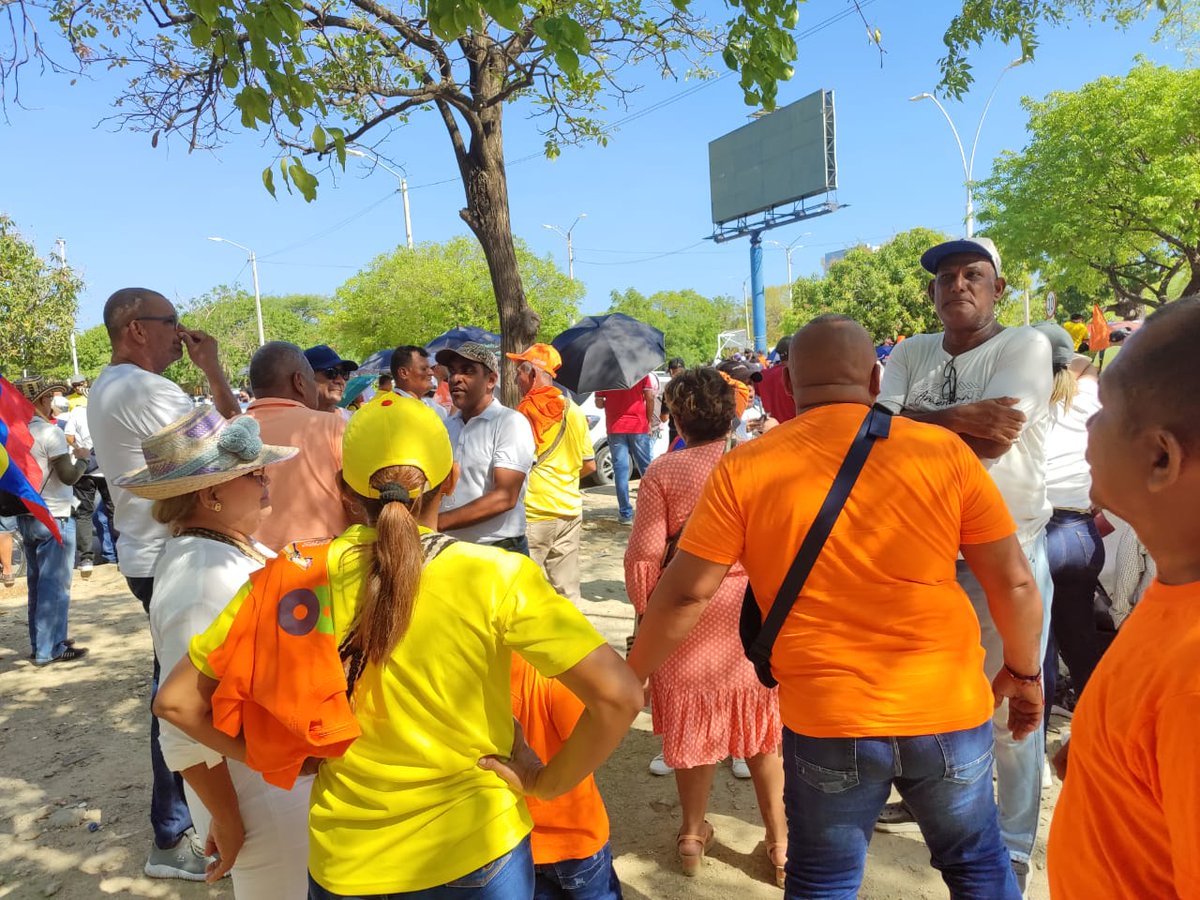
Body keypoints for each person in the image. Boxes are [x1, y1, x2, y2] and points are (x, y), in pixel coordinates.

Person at [154, 394, 644, 898]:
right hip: (477, 849)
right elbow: (620, 697)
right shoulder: (498, 575)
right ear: (450, 479)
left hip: (346, 860)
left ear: (346, 491)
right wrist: (545, 784)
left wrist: (280, 758)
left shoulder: (291, 577)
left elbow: (175, 702)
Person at [629, 316, 1044, 898]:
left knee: (823, 879)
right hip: (947, 707)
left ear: (792, 385)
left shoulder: (746, 467)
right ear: (876, 379)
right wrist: (1024, 673)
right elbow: (1015, 583)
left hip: (828, 718)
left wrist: (633, 677)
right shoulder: (944, 452)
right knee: (977, 865)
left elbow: (685, 591)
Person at [875, 237, 1054, 889]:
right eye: (945, 277)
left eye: (973, 274)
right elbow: (874, 433)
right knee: (930, 698)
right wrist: (952, 421)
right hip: (921, 554)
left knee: (1012, 703)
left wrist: (908, 421)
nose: (957, 285)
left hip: (1002, 553)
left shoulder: (1025, 347)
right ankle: (936, 805)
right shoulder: (912, 351)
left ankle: (1009, 842)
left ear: (998, 288)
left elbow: (999, 432)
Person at [114, 406, 307, 896]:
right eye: (252, 473)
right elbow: (180, 718)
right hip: (253, 791)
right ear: (211, 492)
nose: (267, 480)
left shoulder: (226, 549)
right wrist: (229, 817)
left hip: (263, 779)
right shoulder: (202, 574)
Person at [1047, 296, 1200, 897]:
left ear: (1161, 457)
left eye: (1104, 408)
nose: (1088, 424)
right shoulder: (1174, 586)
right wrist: (1098, 765)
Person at [88, 286, 239, 880]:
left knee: (179, 684)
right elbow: (228, 447)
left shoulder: (114, 386)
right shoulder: (142, 388)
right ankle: (174, 833)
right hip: (171, 552)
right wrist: (213, 370)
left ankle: (180, 826)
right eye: (170, 321)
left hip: (148, 551)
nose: (181, 331)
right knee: (182, 694)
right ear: (136, 329)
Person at [624, 367, 786, 884]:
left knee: (694, 730)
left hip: (686, 615)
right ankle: (781, 845)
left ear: (676, 416)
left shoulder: (663, 474)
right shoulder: (757, 463)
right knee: (764, 734)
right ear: (732, 413)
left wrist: (647, 614)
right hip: (751, 612)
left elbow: (646, 557)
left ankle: (692, 835)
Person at [1034, 327, 1110, 721]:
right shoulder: (1092, 398)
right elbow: (1086, 369)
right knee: (1081, 637)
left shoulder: (1024, 402)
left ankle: (1036, 745)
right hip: (1080, 531)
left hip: (1036, 532)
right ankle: (1101, 724)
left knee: (1040, 643)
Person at [510, 654, 622, 899]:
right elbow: (591, 738)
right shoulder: (555, 675)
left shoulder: (474, 678)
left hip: (517, 846)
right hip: (577, 841)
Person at [243, 342, 353, 552]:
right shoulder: (334, 426)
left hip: (249, 565)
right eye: (313, 378)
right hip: (320, 567)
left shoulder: (227, 431)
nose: (339, 380)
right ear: (299, 382)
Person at [506, 343, 595, 601]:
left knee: (521, 590)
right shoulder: (575, 411)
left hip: (535, 512)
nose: (515, 378)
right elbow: (590, 465)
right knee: (567, 593)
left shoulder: (527, 411)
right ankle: (574, 639)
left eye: (519, 372)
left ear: (532, 374)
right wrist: (563, 479)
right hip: (569, 511)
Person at [15, 376, 91, 665]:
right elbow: (69, 476)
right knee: (56, 584)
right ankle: (52, 647)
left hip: (27, 513)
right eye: (48, 397)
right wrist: (83, 458)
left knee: (37, 583)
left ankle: (42, 642)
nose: (52, 402)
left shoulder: (13, 433)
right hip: (55, 513)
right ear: (39, 401)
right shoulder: (49, 433)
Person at [436, 342, 536, 553]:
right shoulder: (446, 427)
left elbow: (504, 497)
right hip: (451, 550)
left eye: (467, 371)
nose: (455, 378)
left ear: (491, 381)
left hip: (499, 552)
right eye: (452, 372)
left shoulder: (510, 423)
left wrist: (436, 522)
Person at [595, 373, 655, 525]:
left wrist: (609, 400)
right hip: (639, 427)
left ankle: (625, 514)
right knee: (647, 470)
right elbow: (650, 397)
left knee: (621, 472)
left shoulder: (606, 376)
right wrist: (649, 422)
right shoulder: (640, 373)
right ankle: (652, 509)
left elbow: (599, 403)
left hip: (615, 428)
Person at [390, 345, 449, 421]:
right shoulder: (389, 411)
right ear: (403, 373)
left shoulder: (435, 408)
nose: (431, 372)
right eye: (423, 369)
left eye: (430, 368)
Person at [302, 345, 358, 416]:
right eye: (331, 372)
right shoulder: (290, 421)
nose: (341, 381)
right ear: (306, 377)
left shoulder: (355, 421)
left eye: (344, 373)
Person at [753, 335, 796, 424]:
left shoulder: (764, 375)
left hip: (774, 428)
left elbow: (753, 390)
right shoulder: (797, 374)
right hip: (797, 427)